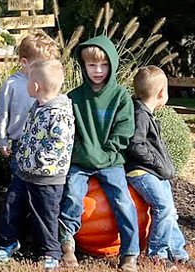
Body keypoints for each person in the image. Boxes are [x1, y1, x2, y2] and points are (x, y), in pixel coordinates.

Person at [58, 35, 138, 272]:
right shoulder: (73, 97)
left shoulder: (121, 96)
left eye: (104, 65)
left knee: (123, 200)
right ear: (83, 66)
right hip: (80, 160)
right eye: (92, 65)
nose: (98, 70)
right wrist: (80, 153)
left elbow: (124, 130)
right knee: (72, 195)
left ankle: (130, 253)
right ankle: (67, 245)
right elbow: (67, 131)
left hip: (111, 161)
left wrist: (108, 153)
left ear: (112, 64)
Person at [0, 60, 74, 272]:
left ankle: (50, 251)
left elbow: (58, 144)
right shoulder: (36, 107)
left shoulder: (59, 113)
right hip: (24, 172)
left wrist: (35, 161)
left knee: (46, 215)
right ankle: (8, 241)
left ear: (36, 85)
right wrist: (22, 157)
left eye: (29, 79)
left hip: (47, 177)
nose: (26, 83)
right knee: (11, 206)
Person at [125, 66, 191, 269]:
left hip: (152, 172)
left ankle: (178, 253)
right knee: (162, 207)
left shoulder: (146, 113)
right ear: (162, 92)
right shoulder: (140, 115)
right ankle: (157, 254)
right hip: (141, 172)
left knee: (170, 211)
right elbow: (136, 145)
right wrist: (157, 164)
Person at [0, 31, 61, 171]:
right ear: (25, 62)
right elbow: (3, 114)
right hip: (19, 142)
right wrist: (2, 140)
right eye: (40, 65)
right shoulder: (12, 84)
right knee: (19, 180)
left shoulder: (48, 82)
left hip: (43, 140)